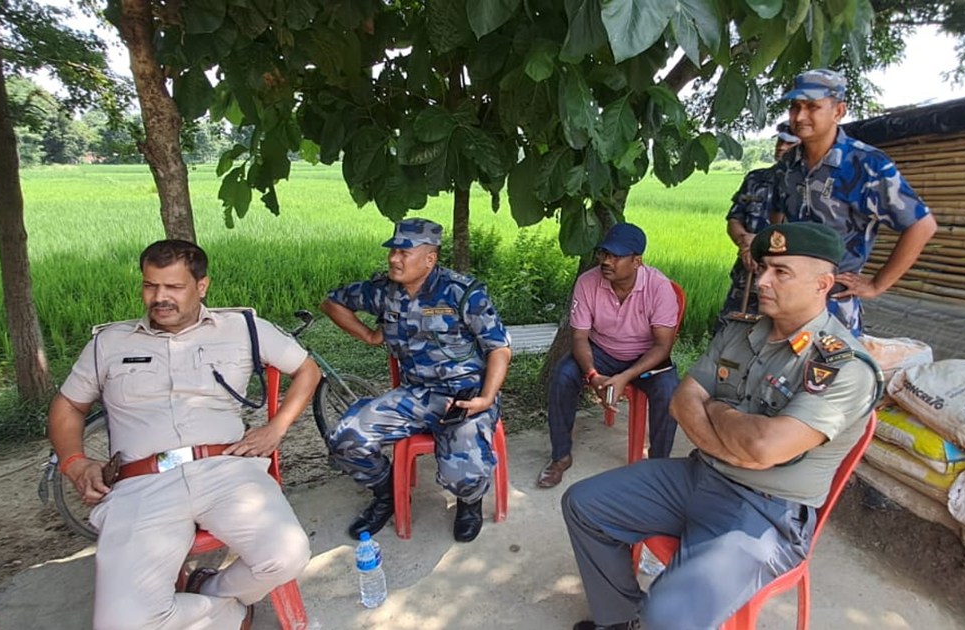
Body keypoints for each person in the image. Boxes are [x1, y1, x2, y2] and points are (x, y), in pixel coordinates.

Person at [562, 223, 881, 630]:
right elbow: (681, 402)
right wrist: (733, 440)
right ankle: (620, 619)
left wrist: (713, 408)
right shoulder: (740, 332)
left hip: (766, 511)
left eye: (781, 272)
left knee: (667, 616)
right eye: (763, 267)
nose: (762, 280)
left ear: (823, 284)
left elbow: (764, 448)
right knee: (583, 504)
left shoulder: (843, 367)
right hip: (701, 474)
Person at [48, 239, 321, 630]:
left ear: (202, 286)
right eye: (150, 285)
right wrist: (74, 463)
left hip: (226, 471)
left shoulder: (243, 328)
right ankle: (228, 611)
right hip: (141, 484)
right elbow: (68, 406)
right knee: (121, 625)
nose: (160, 298)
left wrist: (275, 429)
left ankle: (209, 591)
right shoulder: (109, 343)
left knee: (287, 554)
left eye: (173, 287)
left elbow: (307, 370)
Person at [322, 218, 512, 543]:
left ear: (429, 259)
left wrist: (485, 398)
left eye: (404, 252)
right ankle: (387, 496)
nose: (394, 258)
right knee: (345, 438)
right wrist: (369, 335)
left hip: (465, 398)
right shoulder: (384, 292)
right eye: (393, 250)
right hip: (414, 395)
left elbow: (499, 349)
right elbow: (332, 302)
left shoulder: (462, 292)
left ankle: (469, 502)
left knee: (462, 475)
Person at [774, 68, 938, 336]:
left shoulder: (866, 165)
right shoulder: (788, 165)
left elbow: (922, 225)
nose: (800, 116)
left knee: (829, 377)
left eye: (812, 107)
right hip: (787, 302)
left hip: (833, 308)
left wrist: (876, 285)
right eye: (795, 107)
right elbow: (777, 217)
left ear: (838, 111)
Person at [537, 223, 682, 489]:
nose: (606, 261)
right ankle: (560, 455)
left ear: (637, 261)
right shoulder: (587, 282)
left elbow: (663, 347)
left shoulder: (659, 288)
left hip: (645, 356)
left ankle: (659, 465)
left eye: (616, 256)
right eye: (604, 254)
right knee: (563, 375)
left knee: (669, 390)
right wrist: (593, 375)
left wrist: (624, 377)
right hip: (602, 352)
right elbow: (579, 337)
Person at [720, 122, 800, 324]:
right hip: (745, 278)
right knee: (728, 337)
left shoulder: (811, 186)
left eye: (789, 143)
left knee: (774, 343)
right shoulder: (756, 178)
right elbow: (734, 218)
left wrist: (761, 247)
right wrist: (745, 243)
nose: (781, 147)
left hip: (786, 283)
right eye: (780, 141)